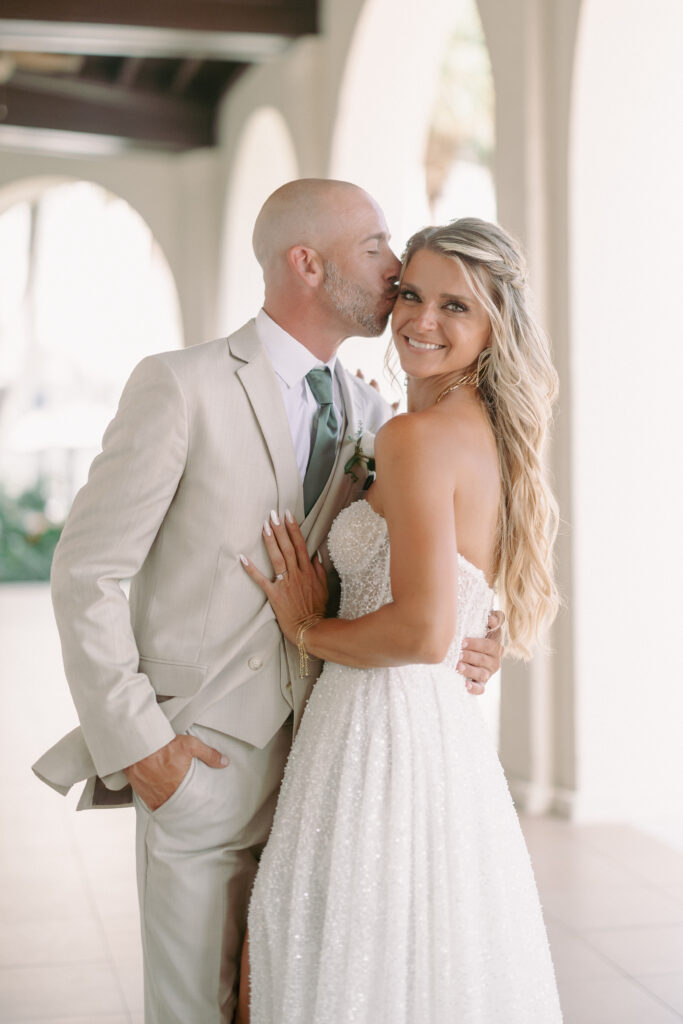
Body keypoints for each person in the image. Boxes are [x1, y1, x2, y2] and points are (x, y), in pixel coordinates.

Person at [32, 180, 504, 1024]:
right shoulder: (181, 386)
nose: (395, 268)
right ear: (306, 264)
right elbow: (86, 574)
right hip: (200, 767)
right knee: (194, 1011)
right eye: (377, 247)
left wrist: (480, 627)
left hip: (337, 773)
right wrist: (147, 749)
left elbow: (413, 566)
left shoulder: (371, 409)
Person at [239, 217, 563, 1023]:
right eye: (412, 295)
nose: (422, 319)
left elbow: (422, 631)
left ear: (495, 327)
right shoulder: (472, 432)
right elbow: (454, 607)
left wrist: (307, 629)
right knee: (421, 955)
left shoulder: (416, 437)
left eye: (457, 307)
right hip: (437, 735)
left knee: (339, 950)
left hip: (375, 730)